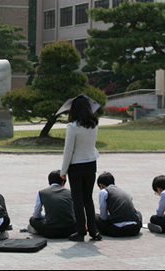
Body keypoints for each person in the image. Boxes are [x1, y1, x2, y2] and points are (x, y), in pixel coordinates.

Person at [60, 96, 101, 242]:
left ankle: (80, 231)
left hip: (76, 165)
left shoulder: (72, 127)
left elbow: (68, 150)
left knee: (78, 200)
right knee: (88, 199)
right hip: (91, 163)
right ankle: (94, 231)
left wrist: (63, 172)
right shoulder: (94, 123)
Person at [27, 170, 77, 238]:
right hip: (70, 230)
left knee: (32, 219)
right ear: (63, 182)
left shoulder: (42, 192)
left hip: (50, 231)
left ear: (49, 182)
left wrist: (46, 217)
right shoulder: (70, 192)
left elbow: (36, 215)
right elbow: (73, 214)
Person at [95, 172, 142, 237]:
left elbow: (103, 216)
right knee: (138, 213)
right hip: (134, 229)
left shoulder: (104, 192)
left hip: (117, 230)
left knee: (95, 217)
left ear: (101, 185)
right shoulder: (124, 192)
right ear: (114, 183)